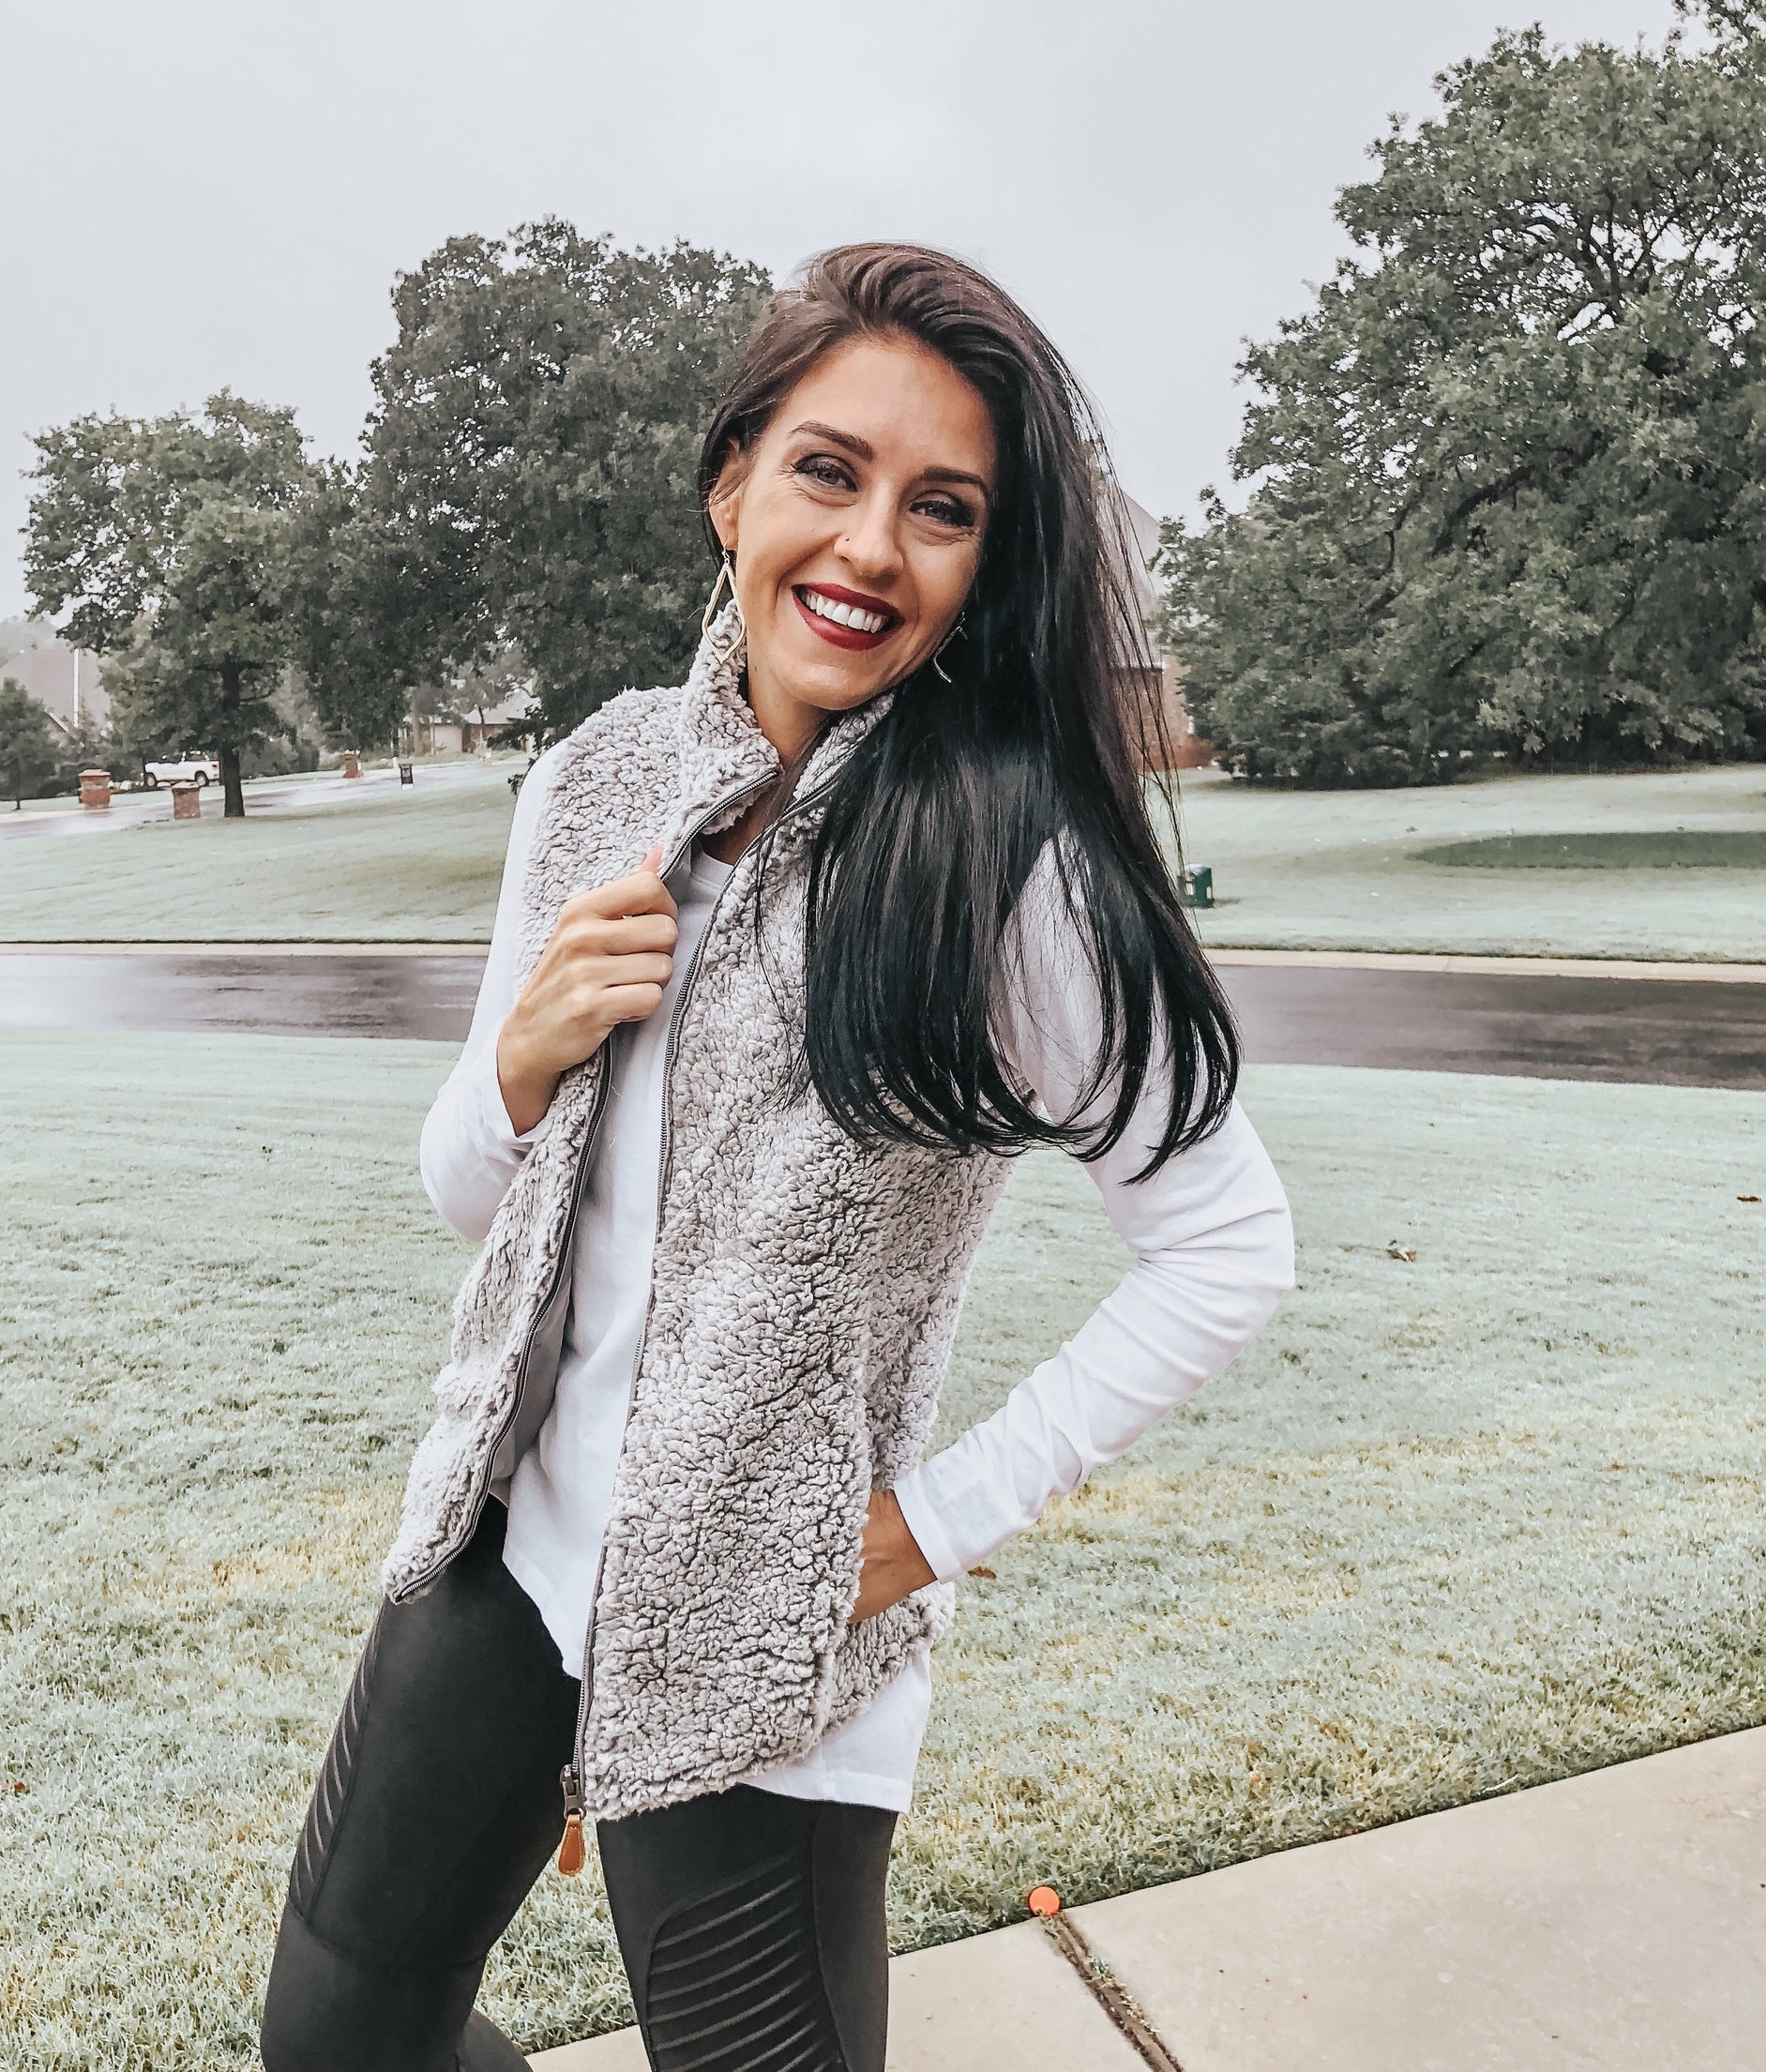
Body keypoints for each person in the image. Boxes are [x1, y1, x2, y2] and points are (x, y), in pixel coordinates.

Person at [260, 242, 1294, 2072]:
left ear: (980, 566)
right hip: (503, 1556)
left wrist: (930, 1527)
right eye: (828, 469)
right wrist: (521, 1055)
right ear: (731, 483)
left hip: (764, 1628)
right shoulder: (590, 785)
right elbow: (470, 1199)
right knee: (337, 2042)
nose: (871, 546)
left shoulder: (1003, 866)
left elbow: (1224, 1246)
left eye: (941, 508)